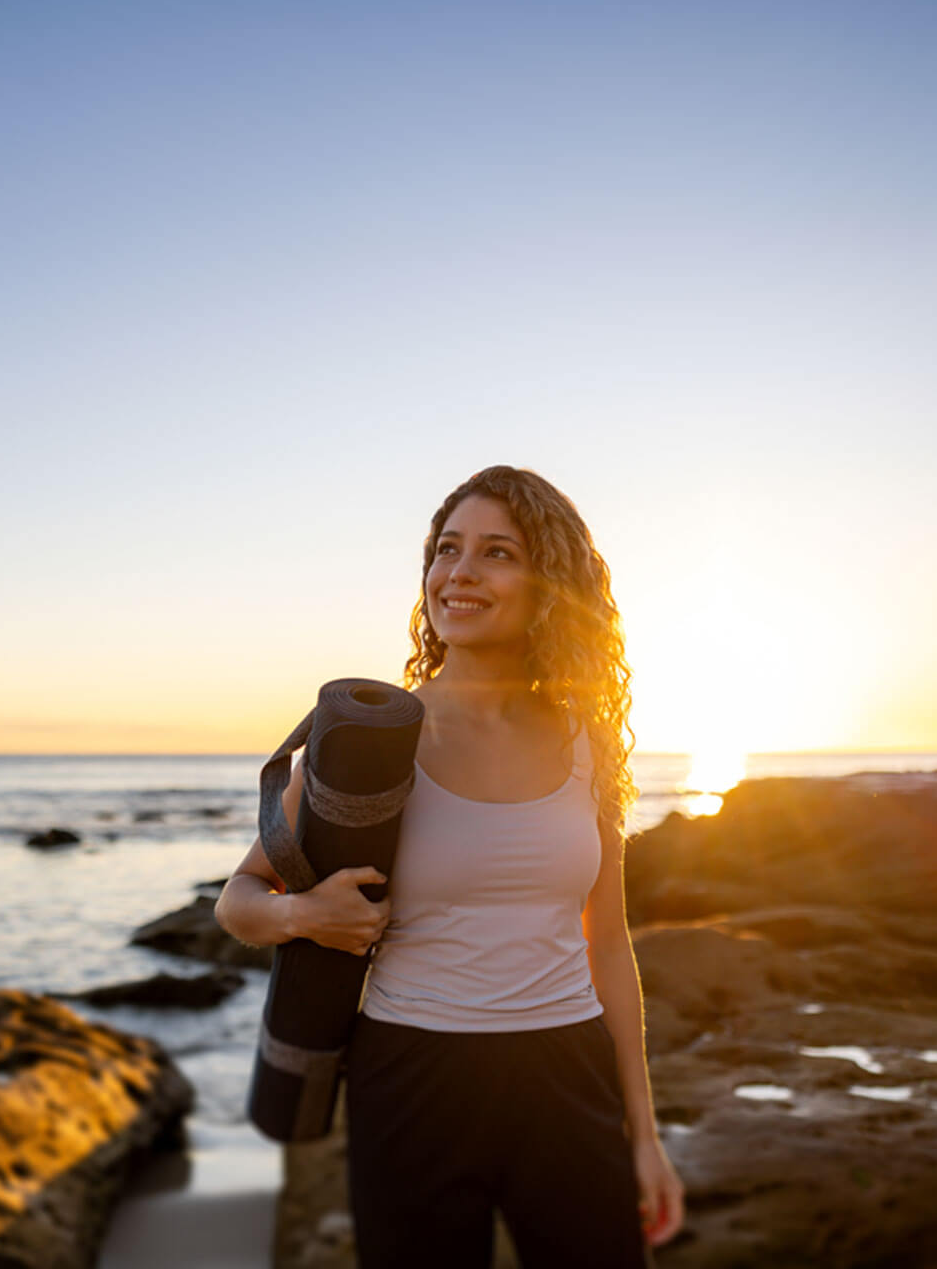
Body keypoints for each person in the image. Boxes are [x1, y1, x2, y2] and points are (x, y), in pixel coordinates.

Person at [215, 465, 685, 1267]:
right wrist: (305, 914)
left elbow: (608, 945)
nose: (459, 572)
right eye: (446, 549)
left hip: (566, 1071)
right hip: (411, 1077)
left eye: (496, 552)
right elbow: (239, 901)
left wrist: (644, 1136)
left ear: (549, 586)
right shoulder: (370, 744)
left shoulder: (588, 742)